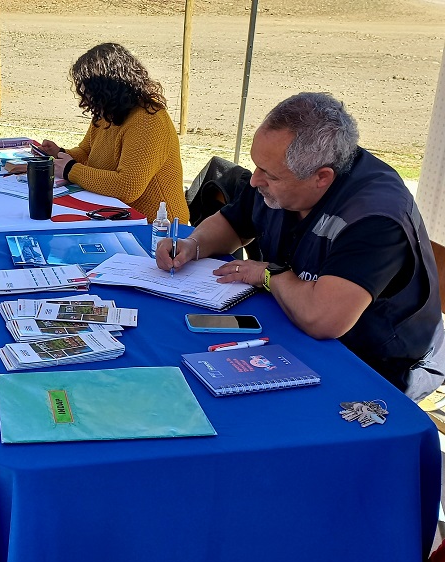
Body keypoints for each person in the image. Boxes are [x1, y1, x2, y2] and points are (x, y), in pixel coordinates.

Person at [156, 92, 444, 401]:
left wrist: (268, 274)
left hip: (379, 364)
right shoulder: (285, 175)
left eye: (269, 174)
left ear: (321, 177)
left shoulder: (375, 216)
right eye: (257, 167)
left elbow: (323, 319)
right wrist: (192, 244)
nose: (254, 181)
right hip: (296, 330)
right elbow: (232, 224)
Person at [39, 43, 188, 223]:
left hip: (158, 227)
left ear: (109, 89)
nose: (85, 98)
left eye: (90, 92)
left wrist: (70, 169)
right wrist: (60, 154)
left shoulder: (148, 120)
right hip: (118, 214)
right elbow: (87, 153)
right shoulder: (109, 112)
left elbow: (127, 186)